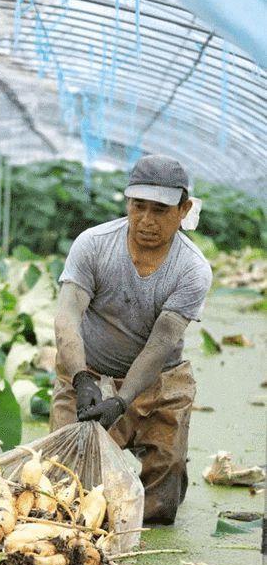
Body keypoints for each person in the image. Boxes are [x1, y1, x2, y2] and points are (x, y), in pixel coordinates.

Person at [52, 154, 212, 524]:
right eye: (138, 207)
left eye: (160, 210)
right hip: (90, 370)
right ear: (127, 202)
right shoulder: (94, 245)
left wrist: (122, 399)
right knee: (61, 482)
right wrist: (81, 377)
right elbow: (68, 315)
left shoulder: (191, 269)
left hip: (159, 380)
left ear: (184, 210)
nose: (146, 220)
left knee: (161, 498)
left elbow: (163, 341)